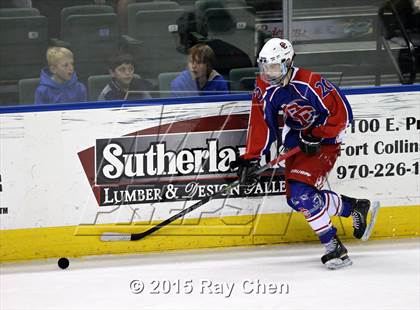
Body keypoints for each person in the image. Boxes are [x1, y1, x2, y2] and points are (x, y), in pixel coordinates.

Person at [233, 38, 373, 270]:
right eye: (264, 67)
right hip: (296, 145)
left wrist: (317, 133)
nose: (268, 72)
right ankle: (352, 208)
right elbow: (261, 123)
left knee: (301, 195)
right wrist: (251, 158)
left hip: (324, 145)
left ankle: (333, 247)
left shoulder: (310, 82)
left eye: (274, 66)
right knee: (296, 199)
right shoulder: (264, 85)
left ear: (288, 63)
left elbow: (342, 115)